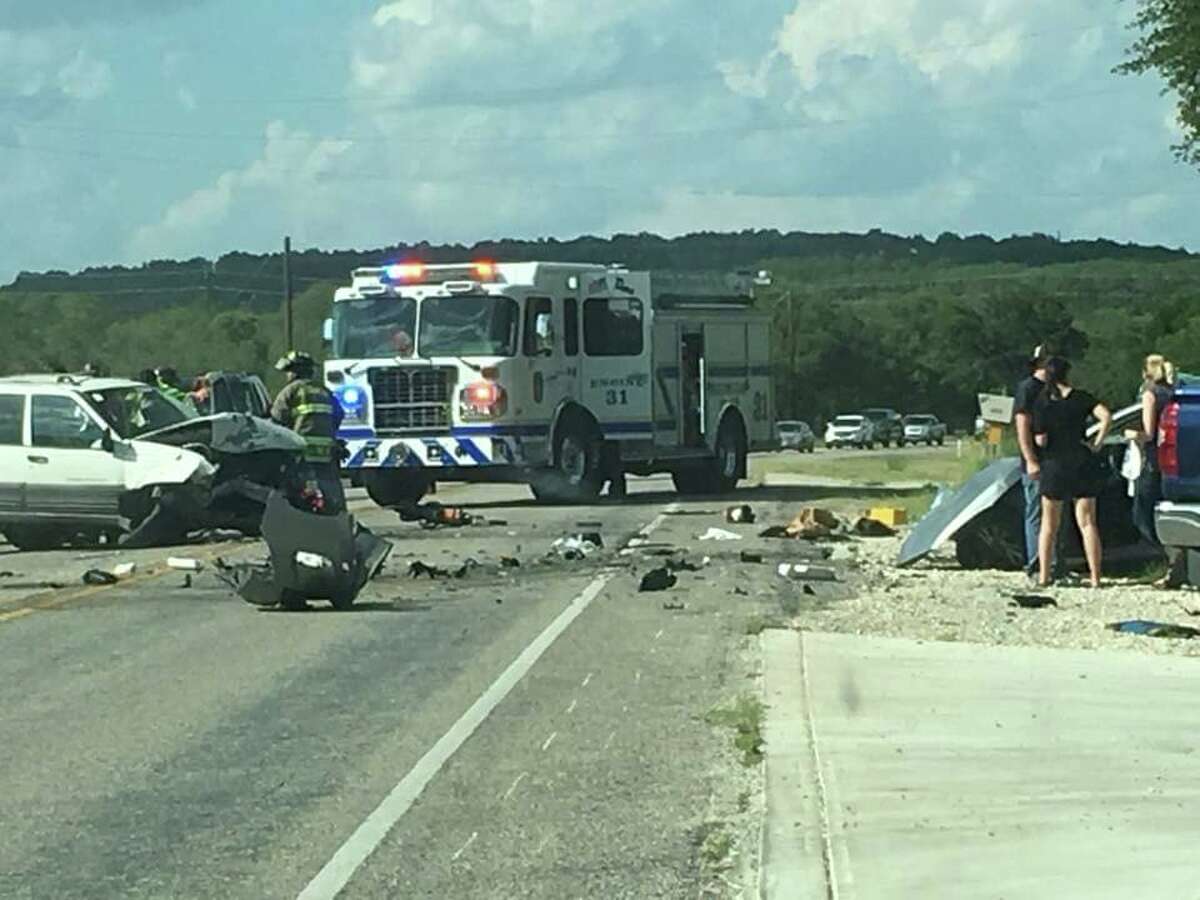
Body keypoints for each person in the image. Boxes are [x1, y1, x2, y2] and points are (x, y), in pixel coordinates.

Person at [1032, 357, 1112, 588]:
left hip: (1054, 463)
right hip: (1081, 461)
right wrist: (1096, 443)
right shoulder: (1082, 398)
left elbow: (1040, 438)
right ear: (1068, 374)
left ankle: (1044, 576)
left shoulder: (1043, 402)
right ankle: (1096, 577)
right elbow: (1106, 416)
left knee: (1049, 525)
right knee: (1088, 523)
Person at [1123, 353, 1183, 585]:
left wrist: (1130, 433)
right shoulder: (1172, 394)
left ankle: (1169, 559)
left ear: (1146, 373)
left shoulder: (1150, 395)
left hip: (1150, 460)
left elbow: (1148, 433)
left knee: (1142, 514)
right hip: (1171, 460)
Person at [272, 350, 345, 511]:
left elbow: (275, 421)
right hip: (326, 453)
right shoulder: (324, 391)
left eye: (288, 372)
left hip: (300, 453)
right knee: (331, 491)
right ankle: (336, 517)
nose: (287, 376)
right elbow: (339, 414)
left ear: (295, 371)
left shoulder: (290, 391)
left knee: (296, 492)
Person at [1014, 345, 1055, 581]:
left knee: (1053, 516)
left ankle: (1053, 564)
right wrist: (1030, 459)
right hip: (1036, 461)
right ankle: (1035, 564)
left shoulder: (1054, 389)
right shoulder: (1027, 389)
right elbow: (1022, 425)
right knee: (1036, 513)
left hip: (1055, 460)